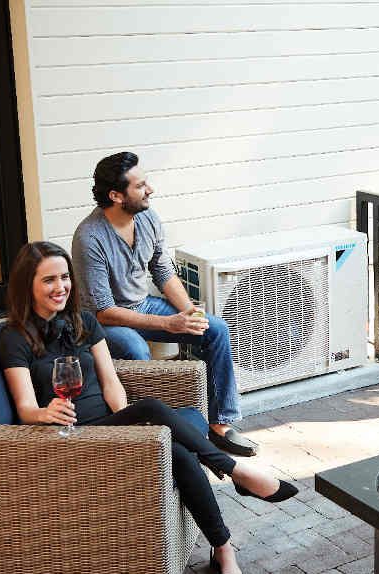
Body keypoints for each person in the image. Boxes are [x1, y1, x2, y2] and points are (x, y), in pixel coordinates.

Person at [0, 241, 298, 574]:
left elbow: (112, 384)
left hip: (112, 426)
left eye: (65, 277)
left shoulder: (84, 322)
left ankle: (222, 547)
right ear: (27, 284)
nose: (60, 286)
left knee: (176, 448)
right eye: (49, 280)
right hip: (72, 437)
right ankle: (235, 472)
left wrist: (129, 425)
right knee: (154, 409)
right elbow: (24, 408)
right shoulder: (13, 337)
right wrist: (45, 412)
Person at [71, 152, 257, 456]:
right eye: (141, 185)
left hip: (142, 304)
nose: (150, 189)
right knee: (136, 350)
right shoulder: (89, 237)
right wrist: (170, 323)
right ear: (116, 195)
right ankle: (148, 434)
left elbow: (162, 270)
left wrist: (189, 313)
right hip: (105, 321)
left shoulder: (147, 217)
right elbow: (103, 310)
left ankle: (220, 424)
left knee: (215, 328)